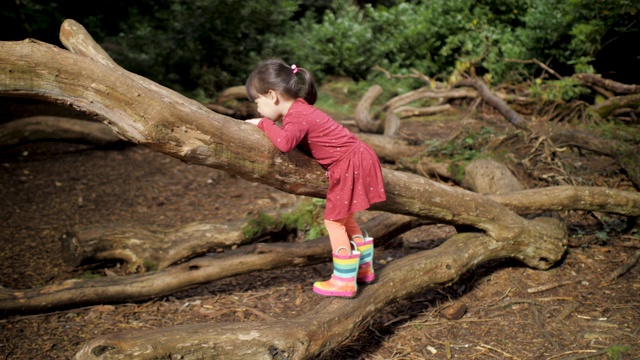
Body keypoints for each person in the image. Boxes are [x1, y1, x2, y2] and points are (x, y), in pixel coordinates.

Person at [245, 59, 386, 298]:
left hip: (348, 164)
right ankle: (363, 269)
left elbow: (285, 143)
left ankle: (343, 280)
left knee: (333, 222)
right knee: (345, 219)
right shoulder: (300, 108)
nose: (257, 109)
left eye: (258, 102)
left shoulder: (296, 115)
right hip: (357, 157)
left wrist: (264, 124)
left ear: (272, 95)